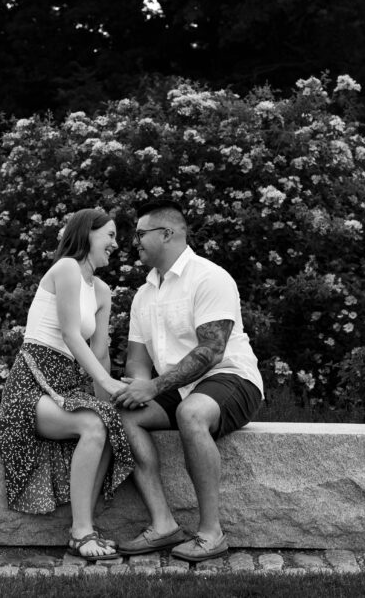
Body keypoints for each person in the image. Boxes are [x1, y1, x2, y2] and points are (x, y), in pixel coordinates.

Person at [111, 198, 264, 562]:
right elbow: (137, 361)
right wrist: (134, 389)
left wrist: (152, 387)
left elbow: (212, 350)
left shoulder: (209, 277)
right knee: (121, 415)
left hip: (230, 377)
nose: (135, 242)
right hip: (174, 385)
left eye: (141, 234)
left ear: (167, 234)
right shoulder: (143, 295)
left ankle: (212, 533)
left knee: (191, 413)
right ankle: (163, 525)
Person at [0, 208, 134, 560]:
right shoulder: (66, 268)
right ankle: (81, 532)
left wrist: (112, 398)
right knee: (93, 423)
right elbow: (71, 333)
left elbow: (99, 355)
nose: (115, 244)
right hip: (32, 384)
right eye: (111, 235)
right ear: (87, 233)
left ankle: (83, 528)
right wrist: (107, 385)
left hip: (66, 389)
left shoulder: (101, 290)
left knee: (107, 421)